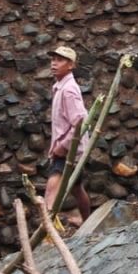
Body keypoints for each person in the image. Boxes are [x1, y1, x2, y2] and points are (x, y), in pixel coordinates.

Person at [43, 45, 92, 226]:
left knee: (51, 192)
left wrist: (62, 146)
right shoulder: (60, 86)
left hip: (68, 151)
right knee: (77, 188)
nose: (54, 64)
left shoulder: (69, 90)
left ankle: (47, 233)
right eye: (53, 59)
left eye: (60, 60)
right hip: (71, 149)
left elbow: (80, 121)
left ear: (71, 65)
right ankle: (87, 222)